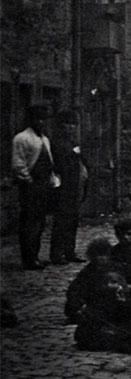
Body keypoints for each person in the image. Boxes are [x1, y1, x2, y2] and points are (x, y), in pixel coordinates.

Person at [12, 103, 60, 270]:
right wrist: (29, 181)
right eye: (38, 119)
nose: (41, 122)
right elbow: (19, 165)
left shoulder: (44, 139)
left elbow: (49, 163)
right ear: (30, 119)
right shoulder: (22, 138)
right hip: (30, 187)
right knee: (29, 223)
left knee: (40, 223)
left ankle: (35, 256)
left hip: (43, 187)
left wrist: (52, 181)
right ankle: (28, 258)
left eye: (44, 119)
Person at [50, 108, 88, 265]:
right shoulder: (57, 144)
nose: (71, 128)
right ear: (61, 126)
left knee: (72, 221)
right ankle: (57, 253)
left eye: (74, 124)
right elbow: (60, 167)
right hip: (63, 188)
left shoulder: (73, 142)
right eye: (67, 124)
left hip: (75, 187)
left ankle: (69, 251)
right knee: (61, 221)